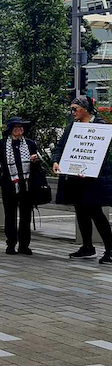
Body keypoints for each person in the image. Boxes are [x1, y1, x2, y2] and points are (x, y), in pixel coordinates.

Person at [53, 96, 112, 264]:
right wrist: (56, 161)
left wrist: (91, 168)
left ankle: (110, 249)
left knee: (96, 212)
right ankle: (88, 247)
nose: (72, 112)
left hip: (93, 179)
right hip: (75, 178)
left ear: (85, 109)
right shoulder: (72, 126)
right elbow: (61, 146)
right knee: (80, 211)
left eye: (75, 109)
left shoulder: (99, 126)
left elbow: (101, 152)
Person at [0, 117, 39, 255]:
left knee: (25, 216)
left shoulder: (30, 144)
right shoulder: (3, 143)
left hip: (26, 184)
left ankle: (24, 245)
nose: (19, 130)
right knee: (10, 215)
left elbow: (36, 166)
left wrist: (35, 160)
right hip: (8, 184)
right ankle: (11, 243)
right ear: (11, 130)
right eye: (16, 127)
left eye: (21, 127)